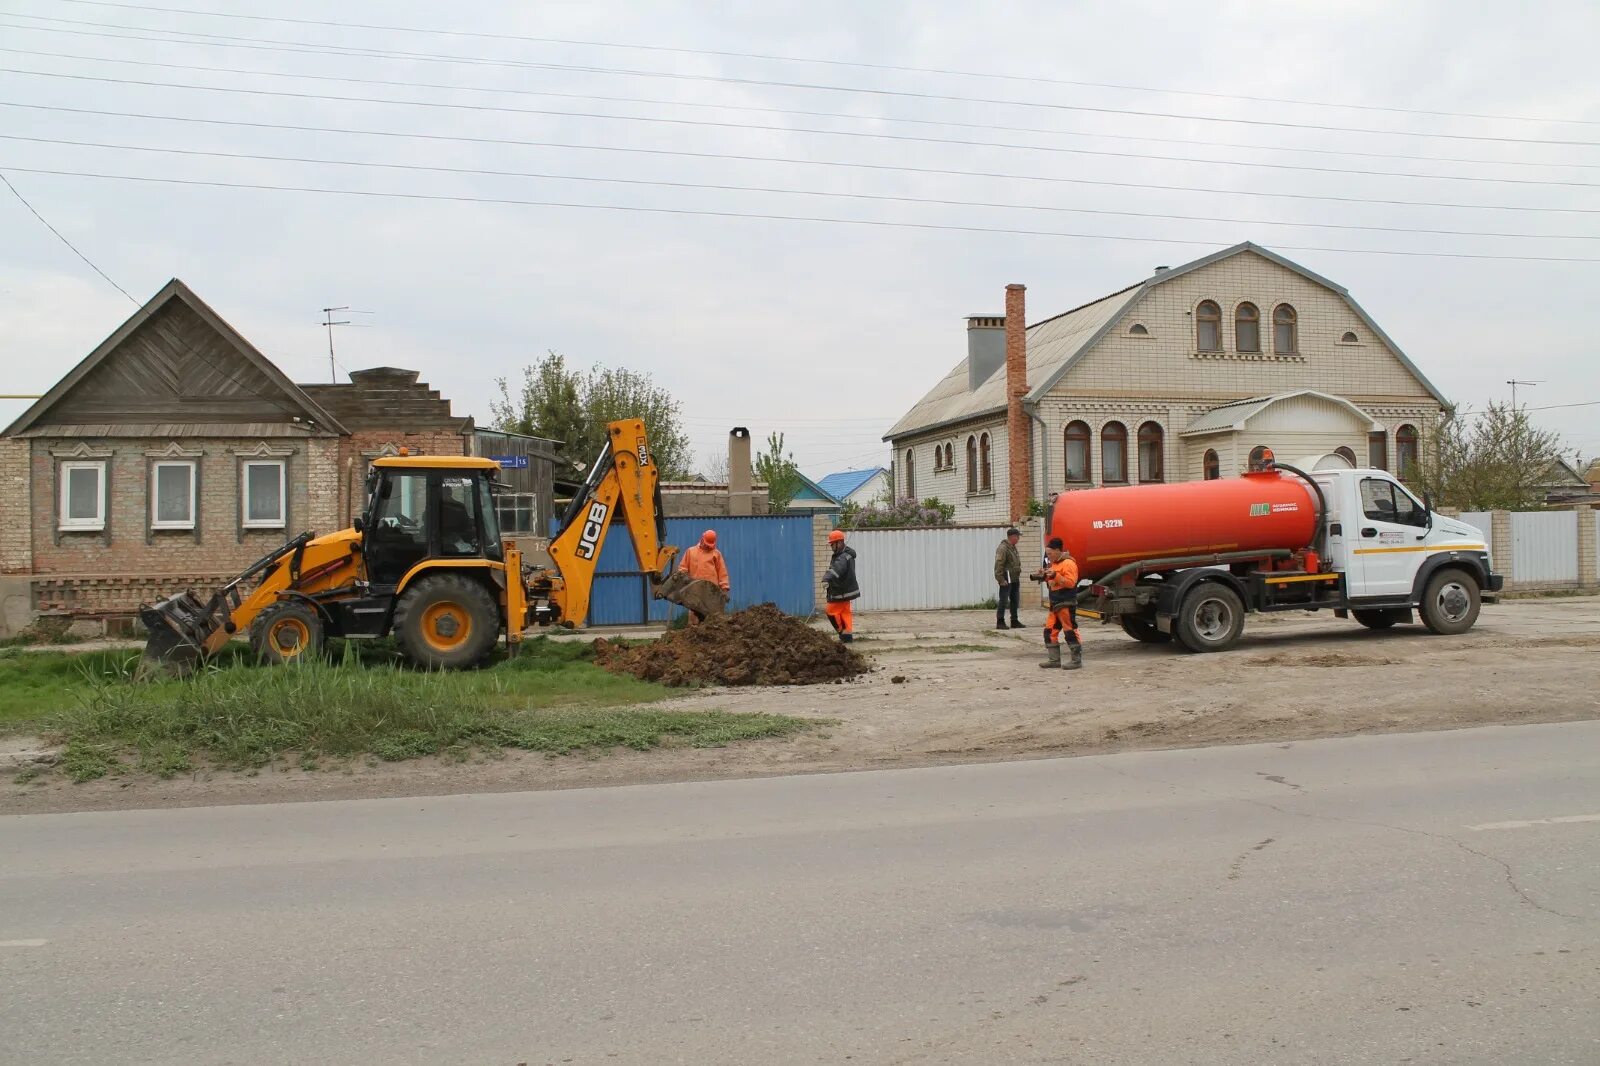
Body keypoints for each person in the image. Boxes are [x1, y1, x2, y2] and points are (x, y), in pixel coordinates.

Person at [1030, 536, 1082, 670]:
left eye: (1050, 553)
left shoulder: (1069, 564)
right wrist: (1044, 576)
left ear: (1058, 551)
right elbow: (1054, 581)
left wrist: (1054, 576)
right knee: (1049, 631)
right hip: (1055, 603)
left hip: (1066, 602)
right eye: (1047, 554)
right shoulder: (1054, 564)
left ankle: (1076, 661)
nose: (1048, 556)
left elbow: (1070, 583)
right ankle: (1054, 660)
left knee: (1069, 630)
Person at [677, 529, 730, 623]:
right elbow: (682, 567)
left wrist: (724, 589)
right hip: (694, 589)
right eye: (706, 543)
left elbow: (722, 572)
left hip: (711, 591)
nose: (708, 546)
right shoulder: (691, 551)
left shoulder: (716, 554)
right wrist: (684, 575)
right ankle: (692, 632)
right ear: (702, 539)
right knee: (694, 613)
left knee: (712, 616)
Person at [822, 528, 859, 644]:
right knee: (845, 613)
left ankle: (843, 633)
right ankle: (847, 637)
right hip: (845, 590)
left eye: (832, 544)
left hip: (841, 591)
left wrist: (826, 579)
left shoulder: (843, 557)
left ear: (839, 543)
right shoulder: (845, 554)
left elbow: (837, 569)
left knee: (830, 611)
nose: (831, 546)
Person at [994, 526, 1024, 630]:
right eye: (1017, 537)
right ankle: (1000, 621)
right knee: (1004, 599)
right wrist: (1001, 579)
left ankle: (1014, 620)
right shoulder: (1003, 548)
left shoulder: (1013, 547)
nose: (1018, 539)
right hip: (1006, 577)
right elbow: (999, 564)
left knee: (1015, 600)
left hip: (1014, 577)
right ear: (1013, 537)